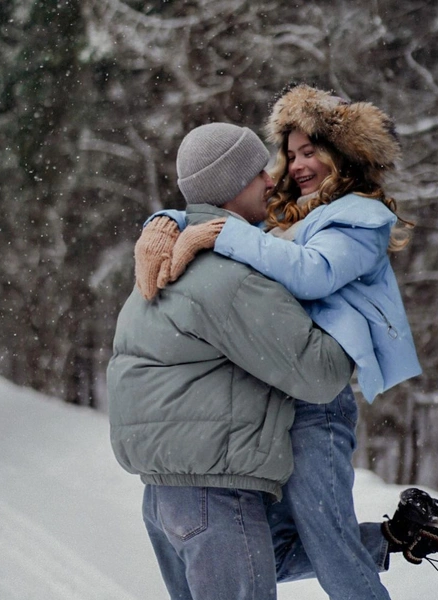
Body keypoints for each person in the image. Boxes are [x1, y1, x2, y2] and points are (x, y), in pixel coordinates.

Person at [133, 88, 438, 599]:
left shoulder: (361, 219)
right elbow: (222, 207)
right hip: (279, 403)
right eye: (292, 153)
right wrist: (166, 222)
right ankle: (405, 534)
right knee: (265, 552)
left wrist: (214, 236)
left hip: (318, 407)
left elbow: (313, 274)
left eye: (311, 152)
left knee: (333, 552)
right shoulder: (292, 215)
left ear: (343, 154)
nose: (298, 165)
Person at [108, 122, 356, 600]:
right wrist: (354, 303)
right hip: (215, 498)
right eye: (257, 172)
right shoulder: (231, 278)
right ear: (229, 187)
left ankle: (397, 538)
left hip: (166, 501)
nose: (271, 180)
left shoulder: (160, 264)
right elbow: (321, 374)